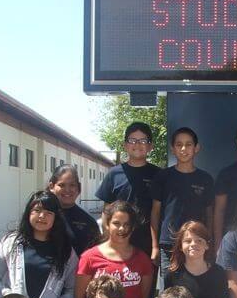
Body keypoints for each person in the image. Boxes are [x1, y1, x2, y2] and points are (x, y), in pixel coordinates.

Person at [76, 200, 153, 298]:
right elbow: (80, 297)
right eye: (116, 223)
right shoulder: (89, 257)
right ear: (107, 224)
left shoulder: (143, 260)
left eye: (127, 224)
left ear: (133, 227)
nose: (122, 229)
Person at [151, 127, 214, 289]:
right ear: (173, 148)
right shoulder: (163, 177)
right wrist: (155, 246)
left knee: (195, 288)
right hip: (168, 246)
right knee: (170, 291)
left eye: (188, 144)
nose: (184, 149)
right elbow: (155, 213)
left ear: (196, 148)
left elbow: (209, 215)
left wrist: (209, 243)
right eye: (179, 145)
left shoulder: (205, 179)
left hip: (196, 244)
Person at [95, 122, 160, 259]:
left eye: (143, 140)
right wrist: (108, 239)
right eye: (132, 140)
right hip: (119, 241)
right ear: (125, 145)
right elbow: (106, 211)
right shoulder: (114, 174)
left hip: (146, 243)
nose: (137, 144)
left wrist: (155, 246)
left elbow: (157, 211)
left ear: (150, 146)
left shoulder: (159, 175)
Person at [165, 220, 229, 298]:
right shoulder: (172, 274)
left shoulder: (218, 273)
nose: (193, 244)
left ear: (207, 245)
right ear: (180, 246)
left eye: (199, 240)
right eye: (188, 241)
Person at [49, 164, 100, 256]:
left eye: (72, 185)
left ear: (79, 188)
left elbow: (96, 256)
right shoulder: (41, 217)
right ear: (51, 187)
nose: (67, 190)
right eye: (62, 185)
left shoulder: (88, 222)